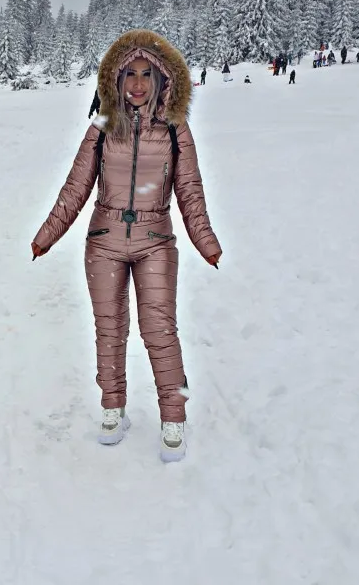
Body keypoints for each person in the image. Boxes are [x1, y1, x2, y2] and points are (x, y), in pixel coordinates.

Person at [31, 30, 222, 463]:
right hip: (104, 242)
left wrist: (205, 240)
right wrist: (46, 235)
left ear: (162, 80)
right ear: (115, 80)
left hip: (156, 241)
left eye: (146, 74)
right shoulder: (102, 128)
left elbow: (190, 190)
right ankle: (112, 408)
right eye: (129, 74)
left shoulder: (175, 129)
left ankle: (173, 416)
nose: (137, 83)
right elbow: (75, 187)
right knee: (110, 329)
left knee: (159, 331)